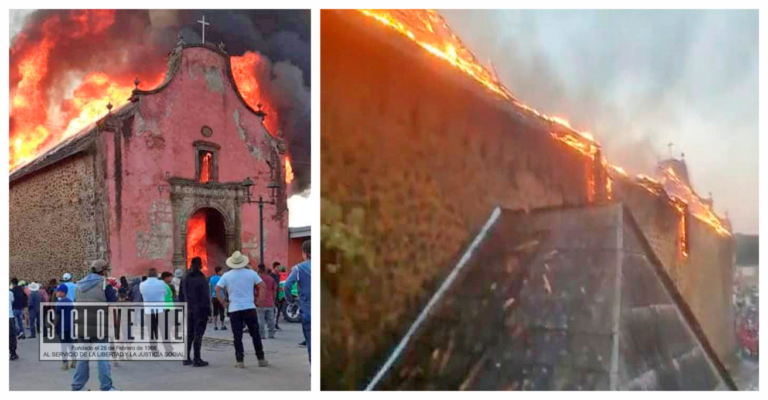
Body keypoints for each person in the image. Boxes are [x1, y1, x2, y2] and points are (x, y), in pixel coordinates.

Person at [216, 251, 269, 368]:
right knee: (255, 334)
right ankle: (261, 359)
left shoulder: (226, 275)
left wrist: (223, 302)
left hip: (234, 308)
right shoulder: (251, 273)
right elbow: (263, 286)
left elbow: (217, 289)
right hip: (249, 307)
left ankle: (240, 361)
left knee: (237, 336)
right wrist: (260, 300)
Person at [71, 259, 118, 391]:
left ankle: (77, 387)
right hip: (99, 326)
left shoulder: (78, 285)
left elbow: (76, 302)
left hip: (81, 326)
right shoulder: (105, 284)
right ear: (103, 270)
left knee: (82, 358)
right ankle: (106, 387)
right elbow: (113, 302)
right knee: (102, 358)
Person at [179, 257, 211, 367]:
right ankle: (197, 358)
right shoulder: (201, 277)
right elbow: (205, 296)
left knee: (189, 334)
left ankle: (186, 358)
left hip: (188, 310)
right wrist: (209, 311)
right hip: (200, 310)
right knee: (198, 334)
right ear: (200, 264)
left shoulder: (184, 276)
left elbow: (181, 295)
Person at [285, 240, 311, 364]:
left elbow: (287, 285)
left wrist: (291, 300)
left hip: (308, 311)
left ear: (305, 253)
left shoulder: (299, 268)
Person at [54, 284, 75, 370]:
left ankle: (65, 364)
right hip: (70, 326)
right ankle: (74, 362)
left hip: (61, 327)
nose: (56, 293)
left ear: (63, 293)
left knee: (63, 345)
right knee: (70, 344)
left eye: (58, 291)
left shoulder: (59, 303)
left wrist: (53, 327)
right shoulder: (70, 301)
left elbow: (57, 316)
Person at [256, 264, 278, 339]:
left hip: (260, 302)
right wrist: (273, 300)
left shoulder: (257, 279)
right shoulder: (271, 279)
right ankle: (271, 334)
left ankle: (262, 335)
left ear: (258, 269)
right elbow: (274, 290)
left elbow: (254, 291)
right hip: (270, 302)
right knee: (271, 319)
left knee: (260, 320)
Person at [209, 266, 227, 331]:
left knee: (215, 311)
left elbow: (210, 288)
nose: (222, 272)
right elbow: (224, 288)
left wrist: (210, 296)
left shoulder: (211, 278)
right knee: (222, 311)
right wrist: (225, 297)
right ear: (218, 271)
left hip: (214, 297)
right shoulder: (222, 278)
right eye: (221, 271)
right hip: (221, 296)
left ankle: (215, 325)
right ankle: (222, 325)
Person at [269, 262, 282, 330]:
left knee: (278, 309)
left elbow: (277, 284)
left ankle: (275, 323)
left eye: (279, 267)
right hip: (272, 294)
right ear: (274, 268)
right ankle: (272, 325)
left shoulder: (278, 275)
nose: (279, 269)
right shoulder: (271, 275)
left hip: (277, 294)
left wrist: (279, 288)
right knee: (273, 310)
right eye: (278, 267)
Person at [9, 288, 18, 360]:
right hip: (9, 316)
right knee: (11, 336)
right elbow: (12, 301)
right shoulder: (10, 293)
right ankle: (13, 353)